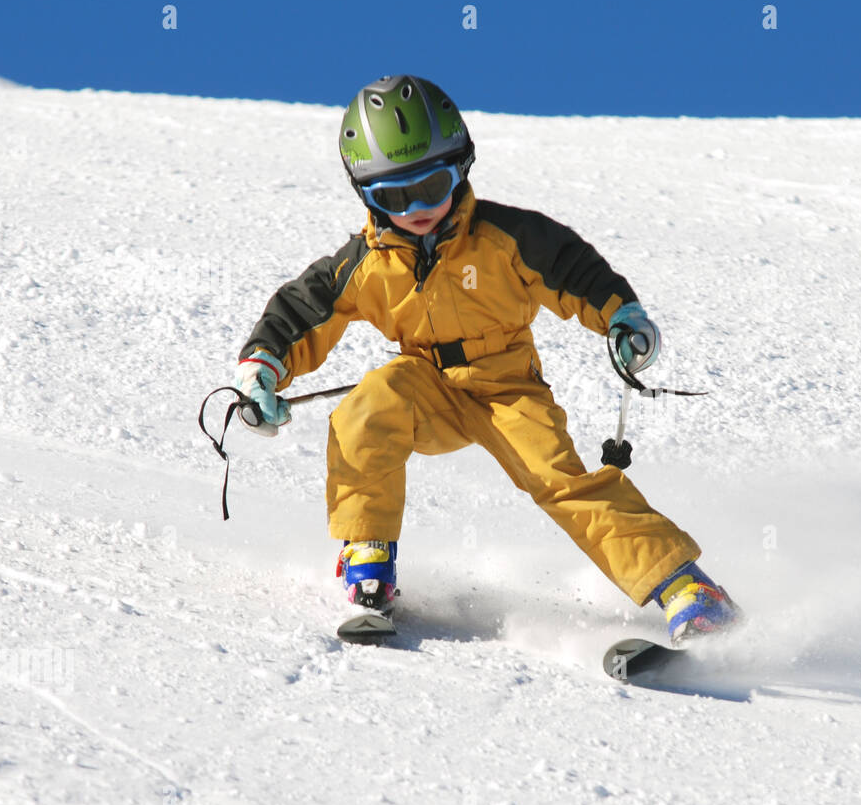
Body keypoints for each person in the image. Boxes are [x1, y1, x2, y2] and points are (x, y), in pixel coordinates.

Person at [233, 75, 738, 644]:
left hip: (508, 387)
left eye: (432, 186)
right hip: (428, 383)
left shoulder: (505, 237)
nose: (417, 209)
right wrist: (262, 372)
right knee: (368, 406)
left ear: (462, 167)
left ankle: (688, 589)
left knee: (559, 480)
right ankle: (368, 555)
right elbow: (300, 311)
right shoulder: (365, 263)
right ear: (366, 196)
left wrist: (622, 317)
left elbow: (574, 271)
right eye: (393, 198)